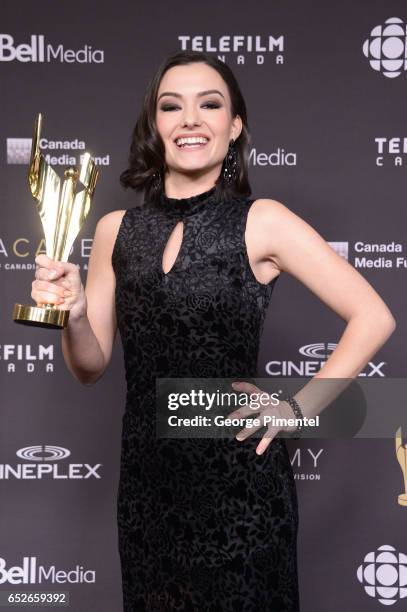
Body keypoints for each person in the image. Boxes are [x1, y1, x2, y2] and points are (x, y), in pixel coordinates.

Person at [32, 50, 396, 611]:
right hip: (149, 492)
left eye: (210, 104)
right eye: (171, 106)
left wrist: (296, 410)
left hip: (242, 489)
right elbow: (89, 366)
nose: (191, 119)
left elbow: (374, 316)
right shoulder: (114, 230)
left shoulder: (263, 220)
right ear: (155, 125)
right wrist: (74, 312)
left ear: (235, 125)